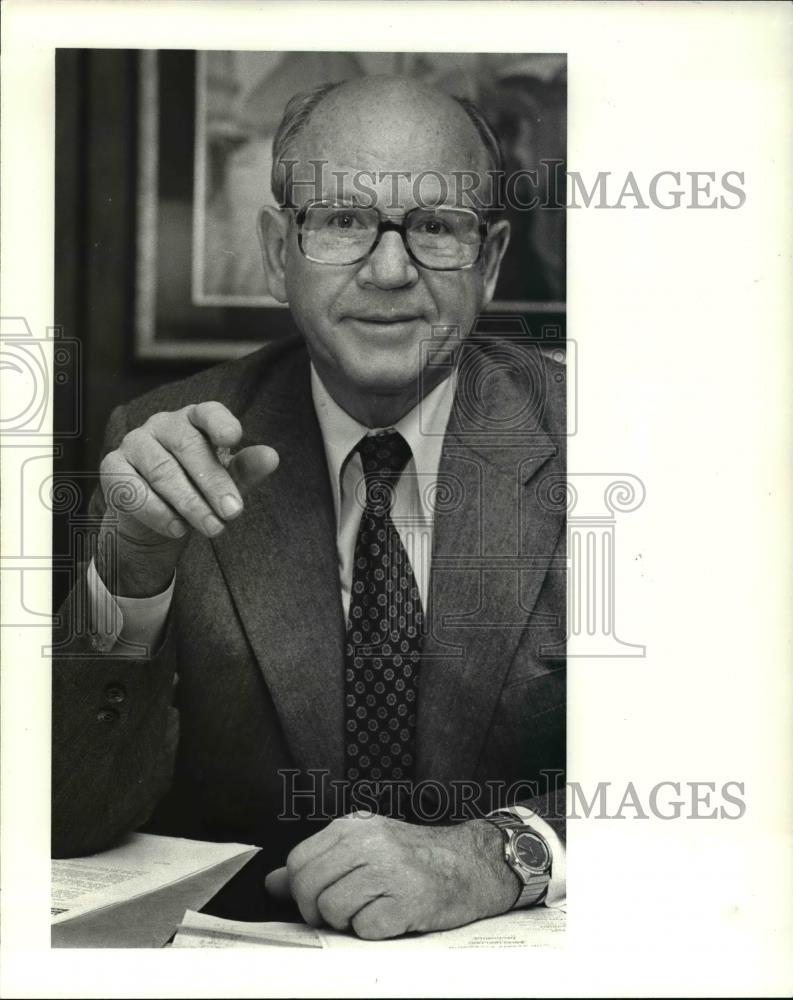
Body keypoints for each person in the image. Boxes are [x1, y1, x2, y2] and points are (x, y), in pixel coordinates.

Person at [52, 76, 567, 940]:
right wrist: (127, 572)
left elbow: (717, 763)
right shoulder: (163, 444)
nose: (391, 269)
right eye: (341, 220)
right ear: (275, 249)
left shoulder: (617, 447)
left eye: (437, 227)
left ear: (489, 260)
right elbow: (67, 816)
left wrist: (496, 855)